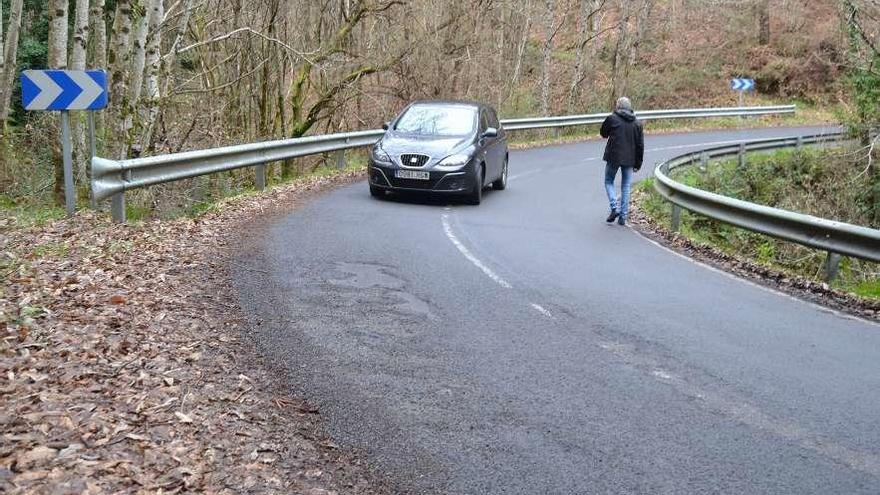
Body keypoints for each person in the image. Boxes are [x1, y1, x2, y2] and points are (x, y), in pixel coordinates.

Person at [600, 97, 644, 226]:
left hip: (614, 156)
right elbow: (640, 145)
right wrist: (638, 163)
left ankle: (614, 207)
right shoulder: (637, 123)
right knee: (626, 186)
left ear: (618, 106)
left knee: (608, 181)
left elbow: (603, 133)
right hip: (630, 159)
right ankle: (623, 217)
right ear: (630, 107)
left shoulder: (612, 118)